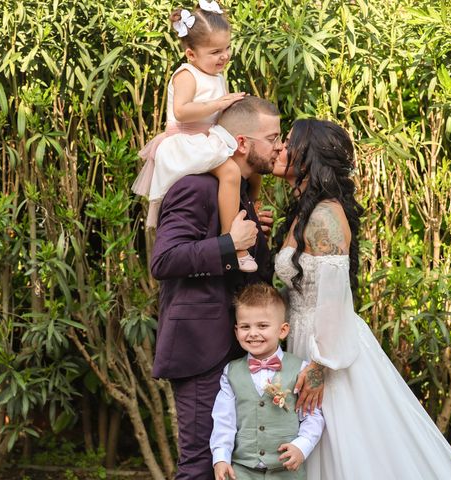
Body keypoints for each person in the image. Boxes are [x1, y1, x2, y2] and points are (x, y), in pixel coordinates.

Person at [273, 119, 451, 479]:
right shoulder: (306, 211)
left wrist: (320, 366)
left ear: (308, 156)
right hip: (305, 342)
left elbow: (335, 299)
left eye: (288, 143)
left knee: (349, 450)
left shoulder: (323, 217)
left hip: (329, 351)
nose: (279, 148)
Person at [150, 96, 282, 480]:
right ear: (242, 143)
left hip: (239, 350)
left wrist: (257, 238)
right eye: (271, 138)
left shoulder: (240, 192)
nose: (278, 146)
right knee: (200, 466)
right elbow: (164, 260)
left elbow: (249, 275)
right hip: (199, 351)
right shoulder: (195, 188)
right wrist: (230, 243)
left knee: (233, 463)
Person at [133, 0, 258, 271]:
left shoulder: (214, 73)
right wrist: (219, 103)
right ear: (191, 54)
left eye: (226, 48)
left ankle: (247, 224)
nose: (223, 56)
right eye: (215, 52)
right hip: (185, 142)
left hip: (205, 139)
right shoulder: (187, 75)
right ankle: (232, 243)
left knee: (249, 168)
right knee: (230, 174)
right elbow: (181, 111)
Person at [210, 283, 324, 480]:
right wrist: (221, 457)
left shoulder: (301, 369)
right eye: (245, 327)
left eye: (262, 326)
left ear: (282, 330)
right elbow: (223, 420)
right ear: (237, 332)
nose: (253, 333)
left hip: (287, 471)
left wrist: (302, 446)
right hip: (241, 470)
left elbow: (312, 415)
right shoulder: (231, 372)